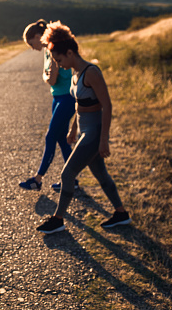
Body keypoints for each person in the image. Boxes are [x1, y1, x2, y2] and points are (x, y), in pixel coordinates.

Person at [36, 21, 131, 234]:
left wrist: (103, 139)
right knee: (101, 175)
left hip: (94, 133)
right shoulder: (76, 74)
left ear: (70, 52)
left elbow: (107, 105)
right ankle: (121, 213)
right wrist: (72, 129)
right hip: (84, 132)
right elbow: (79, 104)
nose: (58, 65)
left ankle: (58, 219)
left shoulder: (92, 72)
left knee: (67, 174)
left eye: (59, 60)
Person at [19, 19, 78, 192]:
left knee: (50, 137)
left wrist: (45, 77)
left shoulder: (53, 50)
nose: (32, 48)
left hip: (66, 98)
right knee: (61, 139)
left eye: (31, 43)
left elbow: (50, 79)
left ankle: (38, 179)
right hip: (58, 97)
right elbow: (50, 78)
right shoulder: (47, 51)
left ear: (38, 36)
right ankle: (72, 180)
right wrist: (47, 76)